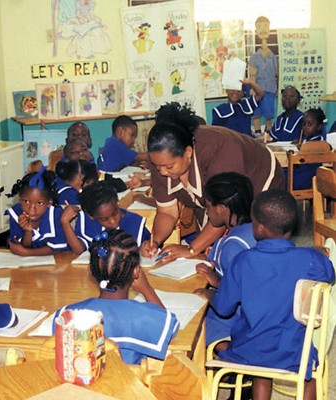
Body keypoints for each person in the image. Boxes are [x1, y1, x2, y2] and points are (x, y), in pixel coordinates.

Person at [206, 190, 335, 400]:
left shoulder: (243, 261)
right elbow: (329, 274)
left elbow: (223, 308)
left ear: (258, 227)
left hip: (248, 353)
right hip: (293, 353)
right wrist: (316, 252)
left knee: (259, 347)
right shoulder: (310, 260)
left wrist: (208, 294)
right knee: (308, 367)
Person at [140, 102, 284, 261]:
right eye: (157, 166)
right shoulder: (160, 159)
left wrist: (191, 249)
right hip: (218, 197)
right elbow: (167, 212)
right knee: (210, 249)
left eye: (168, 166)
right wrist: (156, 242)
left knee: (248, 246)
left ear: (188, 152)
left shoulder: (219, 150)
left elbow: (224, 211)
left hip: (259, 176)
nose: (162, 172)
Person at [52, 229, 179, 365]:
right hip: (130, 384)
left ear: (90, 270)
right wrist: (147, 290)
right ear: (136, 271)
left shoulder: (66, 315)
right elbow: (170, 330)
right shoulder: (147, 316)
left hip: (85, 386)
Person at [193, 172, 256, 354]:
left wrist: (215, 281)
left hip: (241, 314)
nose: (207, 211)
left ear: (221, 209)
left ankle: (229, 354)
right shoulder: (251, 230)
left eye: (208, 206)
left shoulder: (232, 246)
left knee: (200, 319)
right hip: (257, 309)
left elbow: (239, 292)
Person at [60, 181, 150, 255]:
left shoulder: (134, 223)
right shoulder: (88, 222)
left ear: (117, 202)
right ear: (91, 216)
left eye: (115, 213)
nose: (113, 221)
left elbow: (147, 247)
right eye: (104, 219)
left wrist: (145, 249)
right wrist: (64, 222)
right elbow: (78, 250)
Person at [5, 167, 70, 256]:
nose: (31, 209)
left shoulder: (55, 214)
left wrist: (27, 253)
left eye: (39, 203)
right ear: (19, 199)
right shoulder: (16, 213)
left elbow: (57, 248)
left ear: (49, 202)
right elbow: (21, 246)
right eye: (26, 201)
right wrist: (28, 232)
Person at [248, 16, 278, 135]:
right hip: (257, 88)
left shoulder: (273, 56)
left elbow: (277, 72)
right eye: (259, 26)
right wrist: (252, 87)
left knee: (269, 112)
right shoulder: (254, 57)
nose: (263, 29)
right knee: (256, 112)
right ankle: (257, 130)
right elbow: (252, 73)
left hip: (270, 87)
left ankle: (269, 130)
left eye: (265, 26)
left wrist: (278, 86)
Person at [287, 108, 330, 190]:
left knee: (282, 176)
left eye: (310, 124)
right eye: (304, 124)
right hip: (302, 172)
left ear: (319, 127)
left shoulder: (318, 142)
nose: (305, 127)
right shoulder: (306, 139)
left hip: (309, 176)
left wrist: (302, 148)